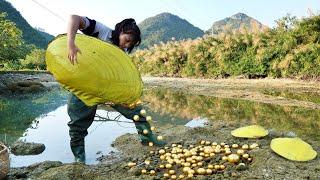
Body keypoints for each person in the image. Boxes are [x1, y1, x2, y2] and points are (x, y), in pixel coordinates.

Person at [66, 15, 166, 163]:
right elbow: (74, 18)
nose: (127, 45)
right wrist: (71, 43)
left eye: (130, 44)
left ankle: (147, 138)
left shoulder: (122, 54)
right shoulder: (101, 32)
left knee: (137, 110)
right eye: (127, 40)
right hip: (85, 85)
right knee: (77, 124)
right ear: (121, 31)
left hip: (109, 88)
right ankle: (79, 156)